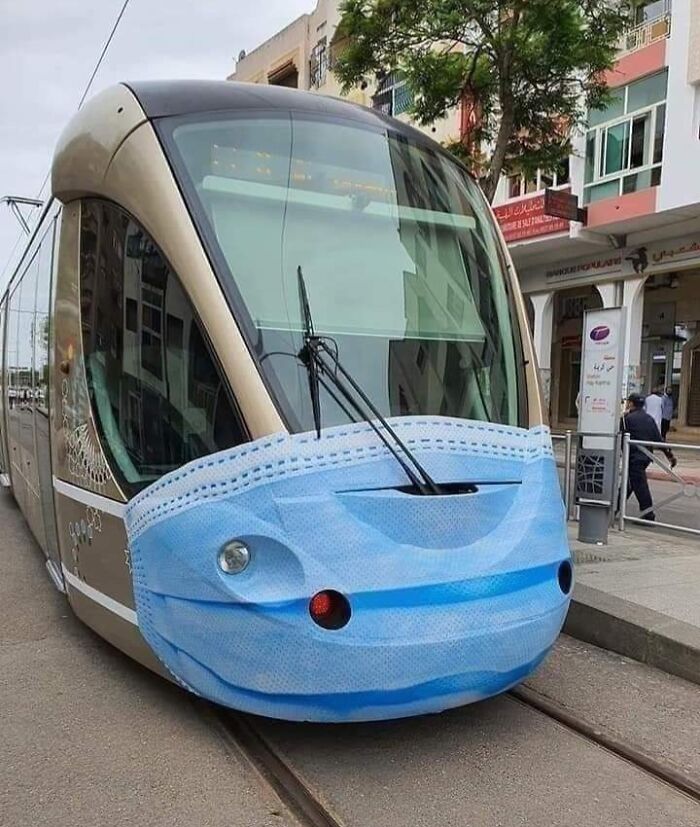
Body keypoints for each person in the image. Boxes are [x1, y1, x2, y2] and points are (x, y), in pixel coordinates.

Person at [622, 393, 676, 522]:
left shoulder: (627, 419)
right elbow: (658, 440)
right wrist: (670, 455)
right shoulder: (649, 419)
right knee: (629, 483)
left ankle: (648, 514)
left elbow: (621, 437)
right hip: (645, 456)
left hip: (634, 456)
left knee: (639, 485)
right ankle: (616, 507)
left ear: (630, 403)